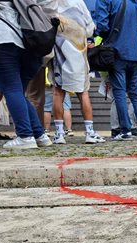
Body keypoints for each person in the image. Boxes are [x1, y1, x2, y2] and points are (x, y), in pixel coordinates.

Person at [0, 1, 53, 149]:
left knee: (11, 89)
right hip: (30, 39)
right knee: (17, 91)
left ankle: (25, 136)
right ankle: (39, 134)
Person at [95, 0, 137, 141]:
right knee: (135, 94)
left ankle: (125, 130)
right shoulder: (131, 3)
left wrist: (95, 33)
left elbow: (102, 26)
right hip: (134, 54)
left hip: (118, 53)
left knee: (119, 93)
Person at [51, 0, 104, 145]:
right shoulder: (79, 3)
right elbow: (89, 29)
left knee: (58, 92)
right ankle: (89, 132)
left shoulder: (52, 3)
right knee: (83, 93)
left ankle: (59, 133)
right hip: (79, 54)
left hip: (60, 55)